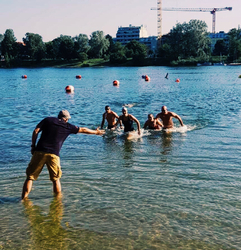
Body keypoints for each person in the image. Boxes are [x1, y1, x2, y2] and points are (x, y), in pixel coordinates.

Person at [21, 110, 105, 200]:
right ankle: (57, 202)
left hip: (39, 151)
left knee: (30, 177)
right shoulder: (67, 126)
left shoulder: (48, 120)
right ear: (65, 119)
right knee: (56, 179)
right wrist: (96, 132)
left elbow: (36, 131)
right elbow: (83, 129)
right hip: (54, 155)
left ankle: (23, 199)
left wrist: (33, 146)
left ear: (58, 117)